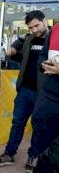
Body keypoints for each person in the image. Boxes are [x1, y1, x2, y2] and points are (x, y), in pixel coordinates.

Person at [0, 10, 50, 173]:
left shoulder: (53, 39)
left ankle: (34, 156)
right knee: (17, 123)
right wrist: (12, 50)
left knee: (39, 126)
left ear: (44, 20)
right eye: (31, 27)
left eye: (37, 25)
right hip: (24, 90)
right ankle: (9, 154)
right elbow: (21, 49)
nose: (34, 30)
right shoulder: (29, 38)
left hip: (43, 93)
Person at [30, 23, 59, 172]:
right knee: (42, 147)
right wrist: (44, 65)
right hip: (49, 94)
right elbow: (42, 55)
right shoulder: (56, 28)